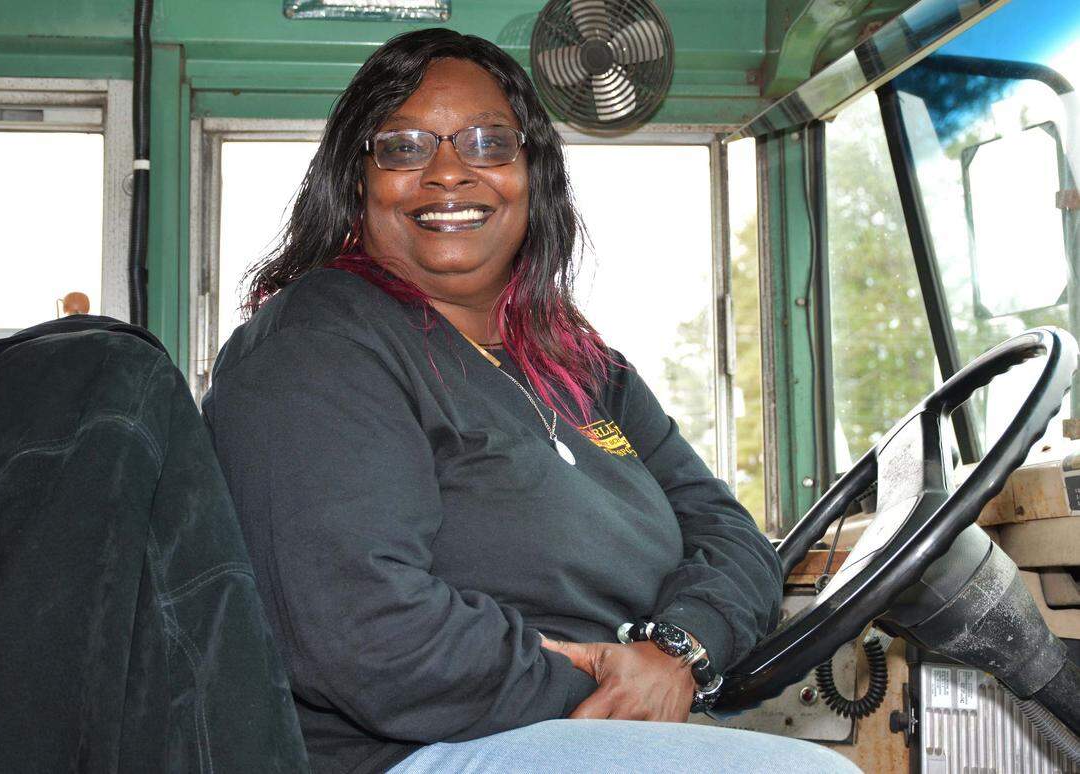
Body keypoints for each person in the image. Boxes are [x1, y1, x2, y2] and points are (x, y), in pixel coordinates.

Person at [203, 28, 859, 774]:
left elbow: (733, 539)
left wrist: (678, 649)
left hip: (590, 728)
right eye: (405, 146)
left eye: (488, 143)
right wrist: (610, 685)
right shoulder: (318, 341)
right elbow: (364, 631)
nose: (449, 173)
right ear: (356, 181)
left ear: (531, 175)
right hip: (414, 750)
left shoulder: (579, 362)